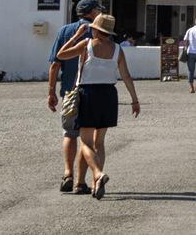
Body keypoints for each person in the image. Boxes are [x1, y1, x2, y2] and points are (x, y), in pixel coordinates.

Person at [55, 13, 141, 201]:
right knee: (99, 142)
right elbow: (126, 75)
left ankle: (98, 174)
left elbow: (60, 55)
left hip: (89, 94)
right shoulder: (118, 49)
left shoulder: (86, 45)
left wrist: (76, 36)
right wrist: (134, 100)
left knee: (85, 142)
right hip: (109, 95)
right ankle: (89, 184)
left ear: (95, 29)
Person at [50, 0, 102, 193]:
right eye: (98, 10)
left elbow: (55, 64)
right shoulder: (100, 32)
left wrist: (51, 92)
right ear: (92, 12)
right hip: (91, 91)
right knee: (87, 138)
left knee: (69, 134)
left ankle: (67, 174)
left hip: (69, 91)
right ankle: (81, 182)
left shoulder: (64, 31)